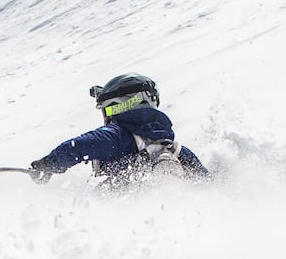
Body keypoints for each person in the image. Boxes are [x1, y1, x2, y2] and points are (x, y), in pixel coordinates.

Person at [29, 73, 210, 187]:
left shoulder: (118, 136)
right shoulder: (175, 150)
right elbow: (208, 183)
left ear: (120, 106)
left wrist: (48, 164)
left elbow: (79, 146)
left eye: (107, 110)